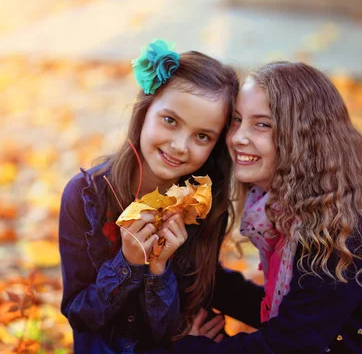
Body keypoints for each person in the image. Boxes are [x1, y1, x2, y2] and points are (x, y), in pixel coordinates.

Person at [171, 61, 362, 354]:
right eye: (236, 120)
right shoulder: (298, 207)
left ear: (303, 139)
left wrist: (188, 348)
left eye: (262, 124)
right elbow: (299, 315)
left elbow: (288, 345)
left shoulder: (341, 231)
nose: (237, 137)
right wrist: (198, 276)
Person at [58, 40, 263, 354]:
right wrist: (127, 263)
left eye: (202, 136)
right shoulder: (87, 196)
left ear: (217, 144)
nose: (180, 146)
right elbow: (80, 315)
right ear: (145, 109)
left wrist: (158, 271)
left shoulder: (202, 205)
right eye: (170, 121)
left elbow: (172, 321)